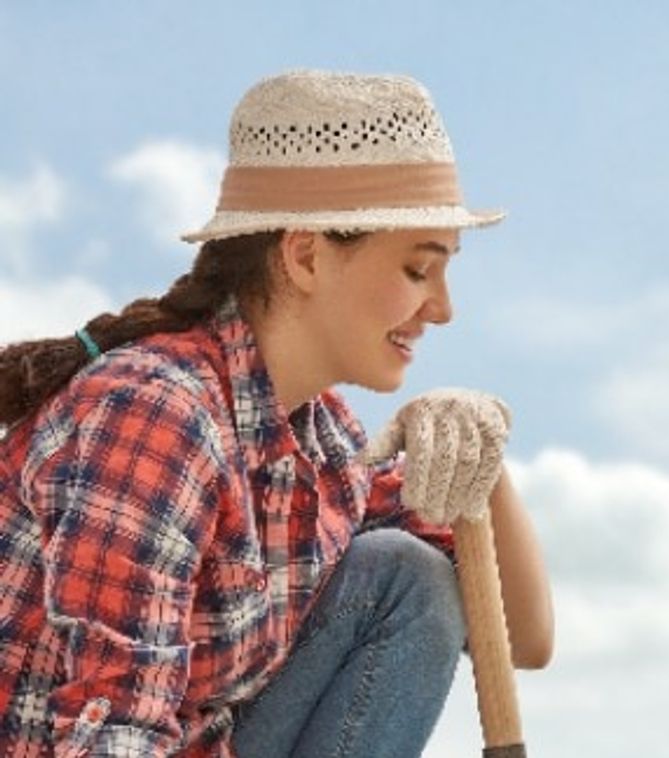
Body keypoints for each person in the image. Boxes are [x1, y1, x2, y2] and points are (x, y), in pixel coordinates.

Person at [0, 70, 553, 757]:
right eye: (418, 269)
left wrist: (482, 460)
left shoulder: (325, 446)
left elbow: (525, 640)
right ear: (305, 255)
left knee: (406, 578)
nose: (443, 308)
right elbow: (114, 733)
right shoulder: (156, 413)